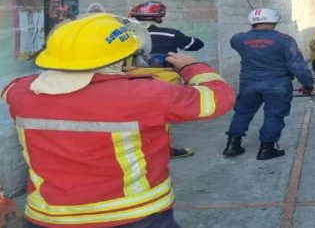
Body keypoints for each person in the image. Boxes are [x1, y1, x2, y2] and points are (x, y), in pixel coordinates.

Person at [1, 13, 235, 228]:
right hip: (134, 214)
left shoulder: (18, 91)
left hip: (48, 216)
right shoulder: (147, 94)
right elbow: (218, 99)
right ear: (120, 58)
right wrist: (192, 67)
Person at [224, 8, 314, 160]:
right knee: (274, 115)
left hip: (249, 84)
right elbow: (297, 65)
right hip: (277, 84)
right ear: (274, 21)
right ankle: (266, 149)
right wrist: (308, 84)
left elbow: (235, 40)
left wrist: (252, 36)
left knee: (242, 112)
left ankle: (232, 145)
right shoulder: (285, 40)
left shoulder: (239, 40)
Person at [130, 0, 205, 159]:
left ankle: (135, 148)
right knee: (161, 116)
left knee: (133, 114)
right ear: (159, 17)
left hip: (129, 78)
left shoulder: (125, 33)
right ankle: (164, 149)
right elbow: (197, 44)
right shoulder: (170, 34)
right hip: (163, 79)